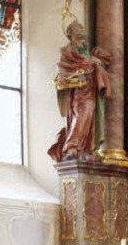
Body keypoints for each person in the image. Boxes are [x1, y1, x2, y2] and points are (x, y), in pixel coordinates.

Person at [48, 20, 112, 161]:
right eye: (79, 28)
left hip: (90, 89)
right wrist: (91, 61)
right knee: (80, 115)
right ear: (71, 34)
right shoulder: (68, 50)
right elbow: (68, 65)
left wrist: (93, 60)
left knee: (90, 117)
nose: (82, 29)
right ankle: (71, 146)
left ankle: (88, 147)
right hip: (79, 91)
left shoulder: (86, 50)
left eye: (82, 28)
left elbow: (88, 60)